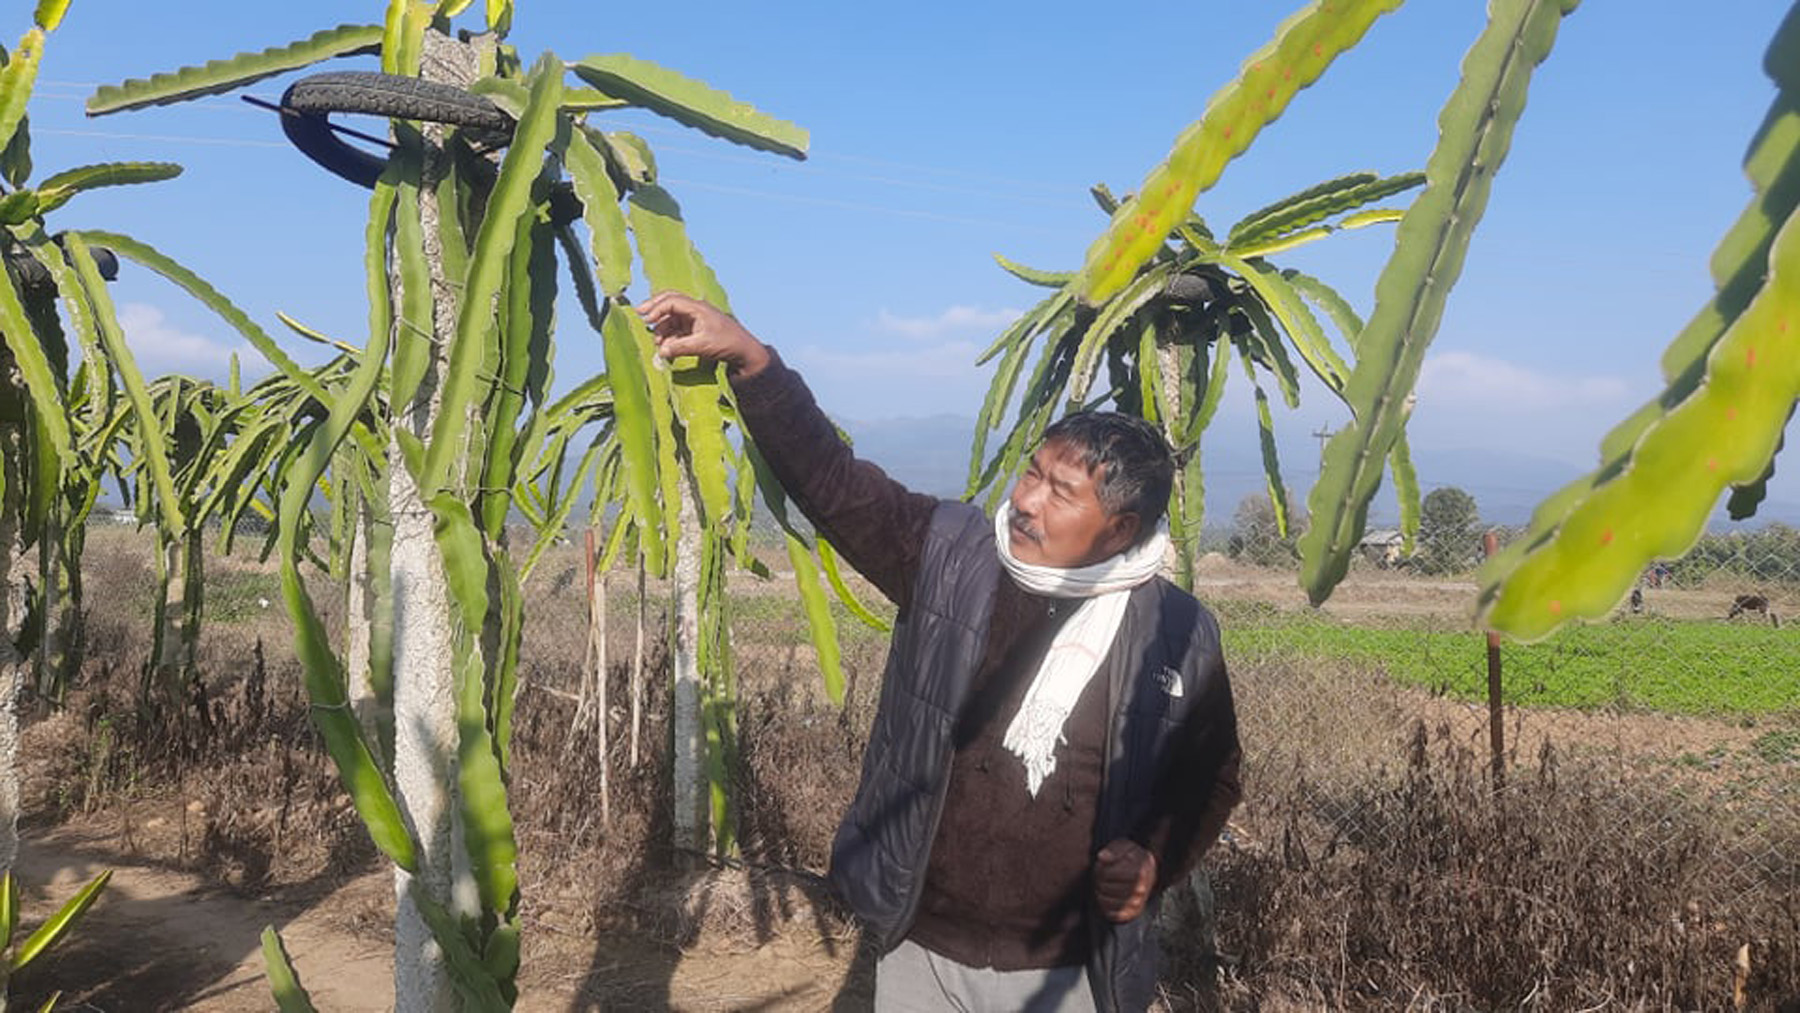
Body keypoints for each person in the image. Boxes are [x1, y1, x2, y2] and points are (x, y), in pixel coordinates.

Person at [636, 292, 1242, 1013]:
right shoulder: (953, 555)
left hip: (1072, 968)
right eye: (1032, 472)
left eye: (1061, 492)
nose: (1027, 501)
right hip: (923, 944)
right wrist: (752, 359)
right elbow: (835, 484)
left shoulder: (1176, 632)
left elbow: (1212, 774)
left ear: (1121, 529)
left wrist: (1154, 859)